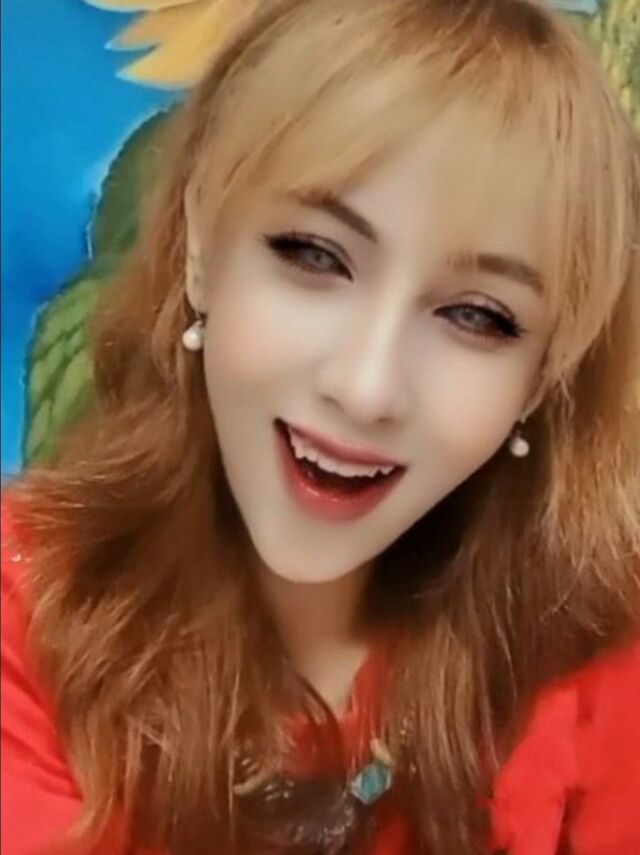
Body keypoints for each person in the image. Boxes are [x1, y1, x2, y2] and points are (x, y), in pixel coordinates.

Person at [2, 0, 639, 853]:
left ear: (542, 376)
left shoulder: (597, 665)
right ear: (201, 245)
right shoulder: (23, 615)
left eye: (478, 316)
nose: (366, 387)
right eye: (314, 255)